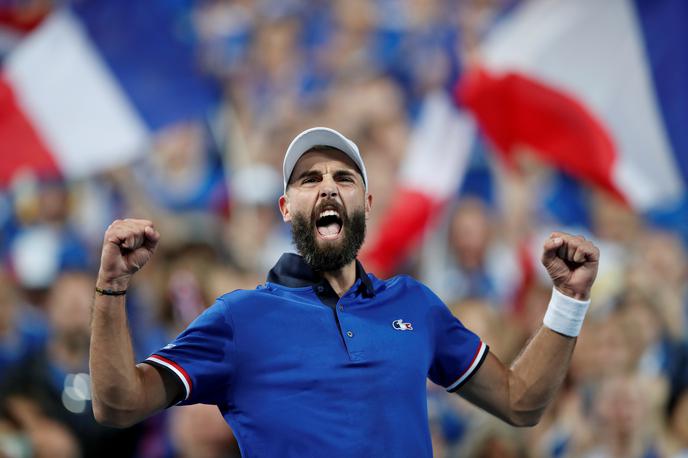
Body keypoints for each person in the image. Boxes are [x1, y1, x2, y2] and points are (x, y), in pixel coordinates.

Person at [90, 127, 599, 457]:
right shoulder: (238, 319)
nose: (329, 187)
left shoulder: (415, 305)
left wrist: (568, 301)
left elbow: (520, 402)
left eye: (344, 178)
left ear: (367, 202)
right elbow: (118, 404)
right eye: (310, 179)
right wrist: (112, 289)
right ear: (287, 208)